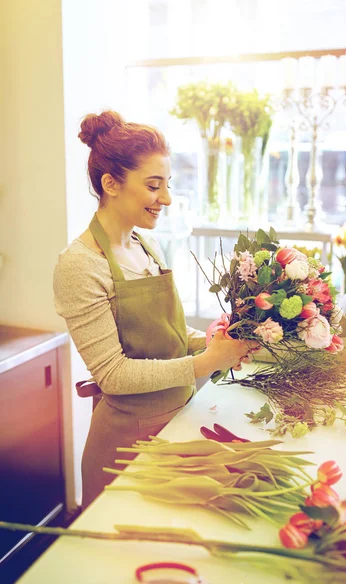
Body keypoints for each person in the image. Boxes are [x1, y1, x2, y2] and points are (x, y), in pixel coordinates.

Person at [53, 110, 258, 509]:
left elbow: (169, 338)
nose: (165, 198)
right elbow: (113, 374)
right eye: (153, 185)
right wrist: (206, 362)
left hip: (177, 420)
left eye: (167, 185)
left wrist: (222, 342)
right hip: (126, 446)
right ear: (111, 184)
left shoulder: (147, 246)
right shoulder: (80, 265)